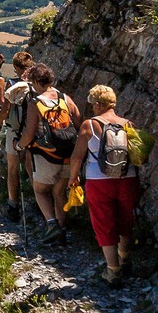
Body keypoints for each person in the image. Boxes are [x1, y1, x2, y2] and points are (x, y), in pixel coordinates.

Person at [69, 84, 141, 286]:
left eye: (93, 104)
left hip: (99, 181)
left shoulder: (88, 125)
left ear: (99, 104)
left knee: (104, 222)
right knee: (125, 219)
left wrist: (73, 178)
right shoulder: (129, 124)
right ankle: (125, 257)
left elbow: (77, 157)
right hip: (128, 179)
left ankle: (113, 270)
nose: (92, 108)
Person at [14, 62, 80, 242]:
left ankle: (51, 224)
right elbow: (79, 123)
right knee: (60, 194)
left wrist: (19, 146)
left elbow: (29, 133)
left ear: (35, 81)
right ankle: (62, 229)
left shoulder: (36, 103)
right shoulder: (65, 98)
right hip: (68, 155)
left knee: (41, 190)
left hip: (46, 155)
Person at [0, 51, 34, 221]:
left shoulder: (12, 85)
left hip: (15, 132)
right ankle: (40, 202)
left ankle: (13, 205)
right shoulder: (37, 84)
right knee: (32, 169)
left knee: (12, 169)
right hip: (34, 132)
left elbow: (5, 110)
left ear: (16, 67)